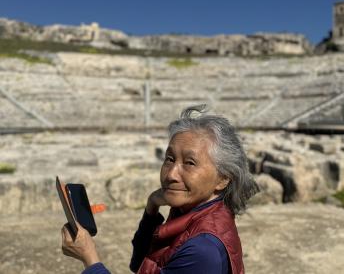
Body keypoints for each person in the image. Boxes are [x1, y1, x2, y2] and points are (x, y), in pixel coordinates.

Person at [61, 105, 259, 273]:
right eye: (170, 159)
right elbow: (140, 264)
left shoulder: (203, 250)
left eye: (190, 163)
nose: (171, 174)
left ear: (223, 179)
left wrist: (89, 257)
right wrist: (151, 208)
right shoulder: (190, 212)